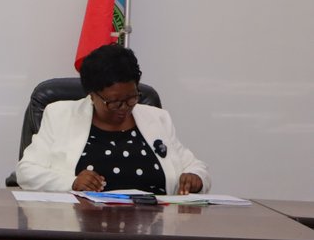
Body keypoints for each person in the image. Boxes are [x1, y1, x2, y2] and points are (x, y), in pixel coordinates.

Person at [15, 44, 210, 195]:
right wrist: (71, 182)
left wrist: (196, 177)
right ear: (92, 95)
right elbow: (27, 171)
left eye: (132, 98)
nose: (124, 108)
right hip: (83, 231)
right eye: (115, 102)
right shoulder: (60, 115)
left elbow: (194, 165)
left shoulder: (157, 118)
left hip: (153, 230)